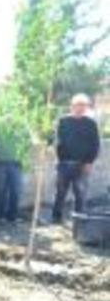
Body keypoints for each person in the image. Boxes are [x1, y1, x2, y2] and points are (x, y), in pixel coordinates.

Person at [51, 93, 101, 223]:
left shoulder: (91, 123)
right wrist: (55, 154)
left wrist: (90, 162)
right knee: (60, 192)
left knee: (80, 193)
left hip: (82, 164)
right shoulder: (63, 121)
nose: (81, 108)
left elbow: (95, 144)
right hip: (64, 163)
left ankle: (79, 220)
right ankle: (56, 217)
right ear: (72, 106)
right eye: (78, 105)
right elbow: (56, 140)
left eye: (84, 105)